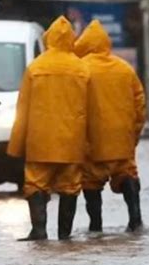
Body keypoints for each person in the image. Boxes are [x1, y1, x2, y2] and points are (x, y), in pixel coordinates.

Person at [7, 16, 90, 240]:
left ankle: (39, 231)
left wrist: (15, 147)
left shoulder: (35, 68)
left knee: (35, 183)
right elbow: (92, 109)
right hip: (72, 141)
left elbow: (22, 110)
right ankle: (65, 235)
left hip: (40, 141)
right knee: (70, 186)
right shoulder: (82, 68)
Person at [74, 20, 146, 232]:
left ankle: (96, 226)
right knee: (127, 174)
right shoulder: (125, 69)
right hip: (122, 139)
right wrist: (134, 135)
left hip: (92, 141)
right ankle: (135, 220)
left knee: (90, 183)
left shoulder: (80, 69)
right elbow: (139, 104)